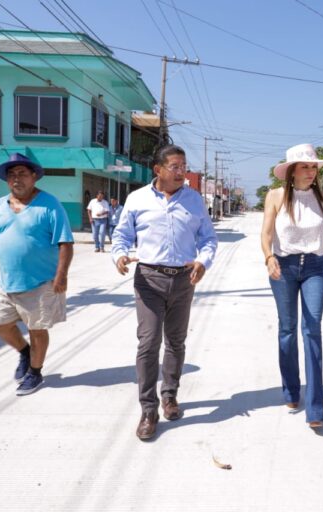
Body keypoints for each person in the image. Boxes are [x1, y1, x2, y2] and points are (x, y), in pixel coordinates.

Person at [111, 145, 218, 441]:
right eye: (175, 166)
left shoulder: (194, 200)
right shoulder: (137, 199)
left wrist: (202, 262)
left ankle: (169, 395)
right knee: (148, 343)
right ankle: (148, 409)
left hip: (183, 281)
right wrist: (119, 254)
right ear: (158, 170)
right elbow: (121, 234)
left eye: (184, 166)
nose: (181, 171)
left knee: (176, 342)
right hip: (148, 278)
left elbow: (208, 238)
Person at [260, 143, 323, 430]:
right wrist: (269, 257)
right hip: (283, 268)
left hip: (315, 267)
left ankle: (315, 407)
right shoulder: (275, 196)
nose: (311, 171)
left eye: (313, 167)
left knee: (312, 329)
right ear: (292, 171)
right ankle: (291, 389)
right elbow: (266, 234)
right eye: (305, 167)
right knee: (286, 329)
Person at [0, 153, 74, 396]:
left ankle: (35, 372)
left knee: (37, 329)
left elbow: (65, 242)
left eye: (22, 173)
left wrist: (61, 275)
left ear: (34, 176)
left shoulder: (49, 204)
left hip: (41, 283)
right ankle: (25, 352)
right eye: (11, 175)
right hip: (7, 283)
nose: (16, 179)